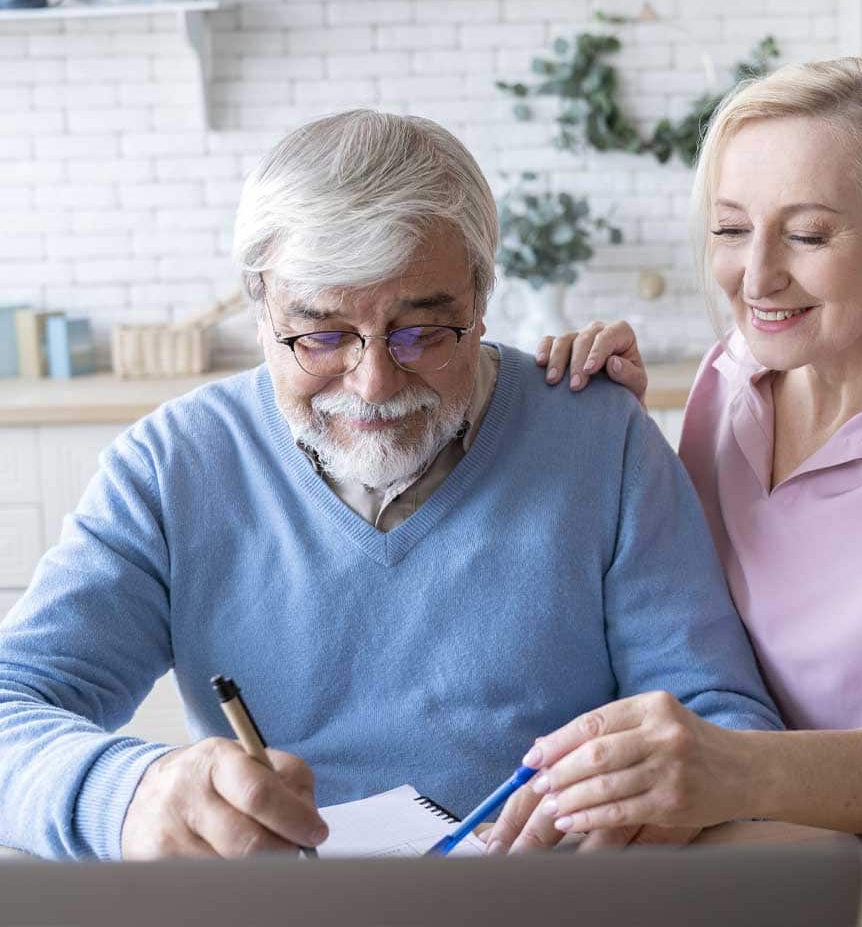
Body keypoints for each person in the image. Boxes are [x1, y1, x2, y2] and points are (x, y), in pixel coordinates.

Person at [0, 110, 781, 861]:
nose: (372, 385)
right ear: (258, 308)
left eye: (422, 332)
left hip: (551, 898)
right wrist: (131, 795)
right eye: (322, 334)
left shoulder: (599, 440)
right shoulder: (173, 466)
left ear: (481, 297)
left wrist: (671, 793)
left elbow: (725, 727)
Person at [487, 56, 862, 854]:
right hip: (745, 854)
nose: (756, 276)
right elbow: (686, 618)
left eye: (806, 234)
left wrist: (736, 772)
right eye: (730, 230)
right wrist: (617, 442)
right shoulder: (731, 376)